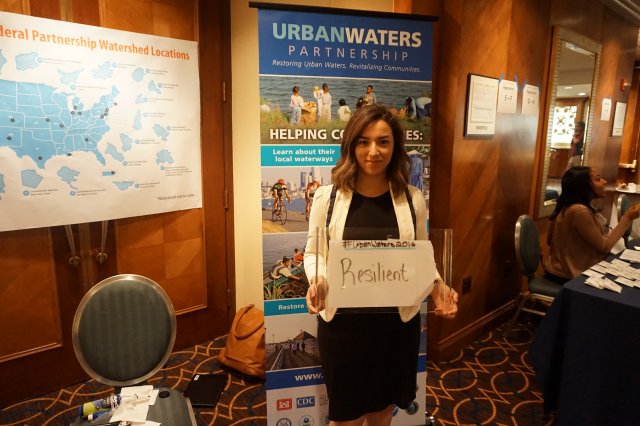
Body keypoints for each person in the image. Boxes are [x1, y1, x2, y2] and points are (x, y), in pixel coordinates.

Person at [304, 104, 458, 425]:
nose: (373, 151)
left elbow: (421, 255)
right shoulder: (327, 198)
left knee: (382, 411)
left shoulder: (412, 198)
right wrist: (318, 280)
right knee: (344, 417)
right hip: (344, 327)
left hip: (395, 328)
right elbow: (314, 252)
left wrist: (439, 286)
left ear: (395, 146)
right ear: (351, 146)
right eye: (363, 141)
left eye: (383, 142)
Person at [545, 166, 640, 283]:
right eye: (598, 179)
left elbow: (550, 240)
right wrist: (627, 218)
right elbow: (604, 247)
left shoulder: (567, 205)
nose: (605, 182)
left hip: (557, 270)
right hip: (568, 275)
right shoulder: (579, 211)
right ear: (583, 186)